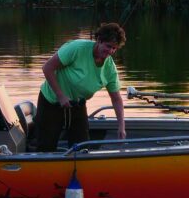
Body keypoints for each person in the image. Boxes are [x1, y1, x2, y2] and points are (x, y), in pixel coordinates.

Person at [35, 23, 126, 152]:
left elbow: (116, 99)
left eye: (114, 48)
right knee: (46, 146)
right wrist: (60, 95)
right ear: (99, 40)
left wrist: (121, 126)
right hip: (51, 101)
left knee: (82, 148)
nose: (110, 51)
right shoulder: (77, 48)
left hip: (77, 105)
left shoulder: (110, 67)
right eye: (108, 46)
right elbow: (47, 68)